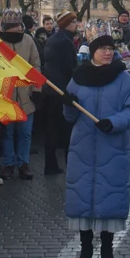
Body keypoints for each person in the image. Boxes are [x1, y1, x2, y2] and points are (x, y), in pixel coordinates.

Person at [63, 32, 130, 258]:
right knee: (82, 200)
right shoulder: (77, 79)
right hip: (82, 150)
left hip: (112, 149)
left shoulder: (123, 79)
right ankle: (85, 249)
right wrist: (67, 104)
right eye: (102, 49)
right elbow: (69, 117)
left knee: (109, 201)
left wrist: (114, 122)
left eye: (110, 48)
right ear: (93, 51)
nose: (107, 52)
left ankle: (107, 251)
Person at [0, 9, 41, 182]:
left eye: (17, 26)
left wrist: (37, 90)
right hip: (5, 95)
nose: (15, 29)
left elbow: (35, 65)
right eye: (12, 26)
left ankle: (23, 163)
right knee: (7, 133)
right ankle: (8, 162)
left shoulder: (28, 40)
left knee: (25, 133)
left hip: (26, 95)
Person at [42, 12, 78, 176]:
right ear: (67, 24)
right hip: (62, 89)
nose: (76, 24)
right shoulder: (66, 41)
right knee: (65, 130)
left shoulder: (52, 39)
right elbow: (69, 67)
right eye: (74, 21)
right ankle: (70, 164)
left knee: (50, 129)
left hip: (50, 88)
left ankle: (50, 165)